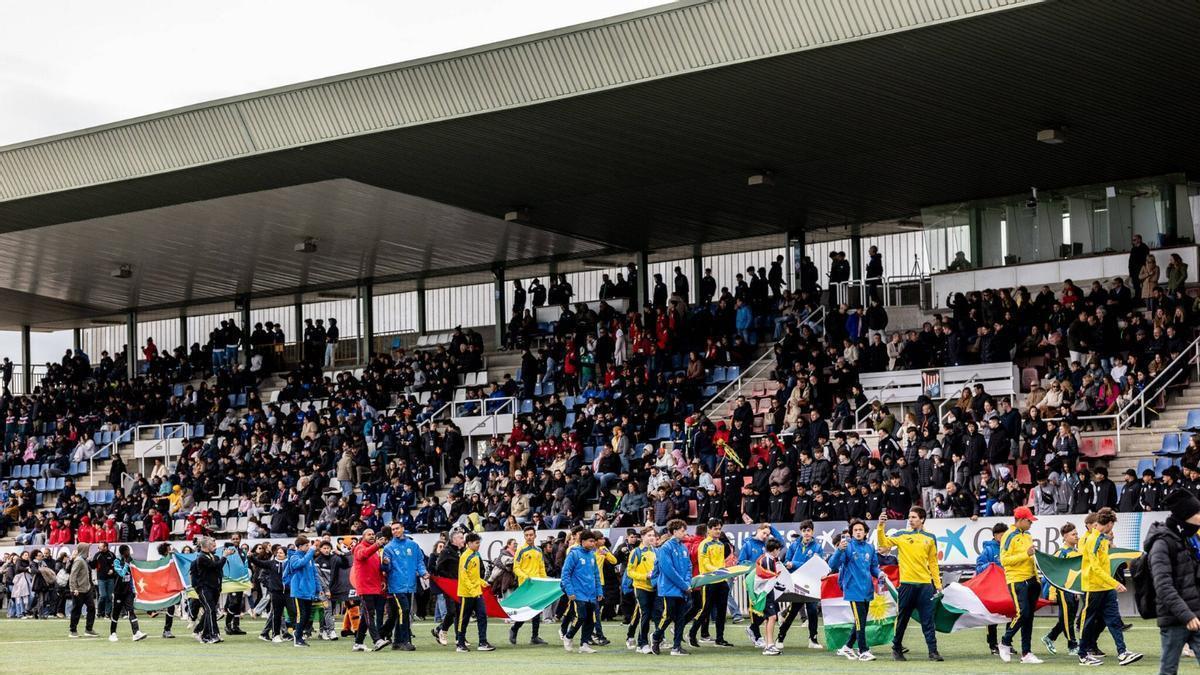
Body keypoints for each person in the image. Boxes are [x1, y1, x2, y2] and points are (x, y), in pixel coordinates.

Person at [1077, 508, 1142, 666]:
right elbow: (1095, 568)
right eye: (1113, 525)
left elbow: (1103, 565)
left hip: (1106, 587)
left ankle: (1122, 652)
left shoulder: (1102, 539)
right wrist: (1115, 583)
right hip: (1093, 587)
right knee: (1088, 621)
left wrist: (1110, 584)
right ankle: (1083, 655)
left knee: (1113, 620)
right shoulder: (1093, 540)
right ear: (1110, 523)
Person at [877, 508, 943, 661]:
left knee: (928, 620)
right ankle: (896, 649)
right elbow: (884, 543)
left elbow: (933, 563)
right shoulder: (902, 535)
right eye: (909, 517)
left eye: (914, 517)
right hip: (906, 585)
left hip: (926, 586)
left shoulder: (931, 538)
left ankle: (933, 651)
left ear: (922, 519)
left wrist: (938, 584)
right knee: (903, 619)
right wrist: (881, 526)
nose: (910, 520)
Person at [1147, 490, 1200, 675]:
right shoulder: (1161, 543)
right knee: (1168, 671)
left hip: (1196, 615)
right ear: (1185, 516)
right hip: (1175, 619)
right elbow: (1163, 586)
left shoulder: (1187, 538)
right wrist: (1187, 615)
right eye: (1197, 513)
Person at [830, 521, 885, 661]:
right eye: (855, 530)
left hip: (867, 589)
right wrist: (839, 550)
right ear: (852, 532)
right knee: (860, 621)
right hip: (853, 590)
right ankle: (863, 651)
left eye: (861, 529)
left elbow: (873, 567)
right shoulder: (847, 547)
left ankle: (847, 647)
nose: (858, 532)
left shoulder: (870, 548)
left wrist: (879, 574)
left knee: (860, 621)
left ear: (866, 532)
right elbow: (832, 565)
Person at [997, 506, 1043, 664]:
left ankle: (1026, 653)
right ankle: (1004, 642)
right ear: (1021, 520)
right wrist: (1026, 554)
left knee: (1028, 617)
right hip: (1016, 579)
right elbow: (1004, 561)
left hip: (1031, 579)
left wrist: (1036, 578)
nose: (1031, 523)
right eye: (1029, 521)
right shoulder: (1008, 536)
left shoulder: (1028, 535)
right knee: (1022, 613)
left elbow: (1030, 559)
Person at [382, 521, 428, 651]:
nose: (395, 531)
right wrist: (385, 563)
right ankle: (405, 640)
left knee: (401, 612)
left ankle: (396, 641)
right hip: (396, 585)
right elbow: (386, 568)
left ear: (403, 528)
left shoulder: (413, 545)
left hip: (410, 584)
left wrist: (423, 572)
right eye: (393, 529)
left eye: (397, 528)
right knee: (405, 610)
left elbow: (419, 561)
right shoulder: (388, 548)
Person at [779, 521, 824, 649]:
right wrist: (790, 564)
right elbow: (787, 560)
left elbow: (815, 564)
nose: (806, 533)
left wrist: (795, 564)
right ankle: (780, 637)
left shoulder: (817, 547)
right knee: (793, 611)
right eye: (804, 531)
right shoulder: (794, 545)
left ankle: (813, 640)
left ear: (813, 532)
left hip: (811, 583)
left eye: (809, 530)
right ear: (801, 532)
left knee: (812, 611)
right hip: (797, 582)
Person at [652, 519, 693, 656]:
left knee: (681, 618)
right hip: (669, 589)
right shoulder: (666, 548)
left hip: (681, 589)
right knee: (668, 616)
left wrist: (686, 583)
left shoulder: (683, 547)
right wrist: (683, 584)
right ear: (674, 532)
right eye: (682, 530)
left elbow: (688, 567)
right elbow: (668, 569)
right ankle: (656, 637)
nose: (685, 533)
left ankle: (676, 647)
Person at [690, 519, 733, 648]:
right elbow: (705, 563)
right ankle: (692, 634)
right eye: (715, 528)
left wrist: (724, 571)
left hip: (721, 580)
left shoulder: (720, 544)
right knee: (705, 610)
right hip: (708, 581)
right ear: (709, 529)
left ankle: (720, 638)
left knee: (721, 611)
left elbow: (721, 562)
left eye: (719, 528)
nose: (718, 531)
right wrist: (718, 570)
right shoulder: (704, 544)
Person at [1041, 522, 1080, 656]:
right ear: (1065, 537)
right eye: (1073, 534)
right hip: (1062, 590)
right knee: (1067, 619)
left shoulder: (1076, 552)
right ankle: (1072, 646)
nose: (1076, 536)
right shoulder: (1060, 553)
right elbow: (1053, 574)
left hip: (1072, 591)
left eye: (1076, 534)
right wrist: (1052, 593)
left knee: (1068, 618)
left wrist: (1077, 590)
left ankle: (1050, 637)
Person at [561, 529, 601, 654]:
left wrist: (599, 591)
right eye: (590, 541)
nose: (593, 544)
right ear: (582, 541)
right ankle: (568, 636)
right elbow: (565, 574)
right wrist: (570, 591)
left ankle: (584, 644)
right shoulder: (574, 554)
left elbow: (596, 575)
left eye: (594, 541)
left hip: (591, 594)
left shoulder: (592, 555)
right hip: (577, 593)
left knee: (590, 619)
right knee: (580, 617)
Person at [350, 529, 389, 652]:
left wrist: (382, 580)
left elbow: (377, 569)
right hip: (365, 587)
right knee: (369, 614)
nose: (372, 536)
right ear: (363, 536)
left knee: (366, 616)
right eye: (369, 534)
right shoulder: (359, 547)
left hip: (374, 587)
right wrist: (377, 545)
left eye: (373, 534)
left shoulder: (376, 551)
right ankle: (377, 640)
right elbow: (363, 555)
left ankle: (358, 642)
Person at [510, 526, 549, 645]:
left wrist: (545, 581)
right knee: (525, 612)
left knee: (536, 611)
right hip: (525, 586)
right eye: (526, 535)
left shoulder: (539, 550)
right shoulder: (521, 550)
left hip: (536, 586)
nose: (529, 537)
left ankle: (534, 637)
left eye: (531, 535)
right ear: (524, 536)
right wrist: (526, 577)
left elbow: (541, 567)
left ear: (535, 535)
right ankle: (514, 629)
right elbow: (516, 568)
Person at [456, 532, 495, 652]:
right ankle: (460, 643)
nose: (479, 545)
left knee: (482, 616)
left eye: (479, 542)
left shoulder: (475, 555)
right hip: (466, 594)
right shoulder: (465, 556)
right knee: (464, 619)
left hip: (476, 592)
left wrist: (483, 583)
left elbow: (474, 576)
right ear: (469, 544)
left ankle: (482, 642)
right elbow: (464, 576)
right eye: (477, 543)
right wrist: (473, 591)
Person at [626, 525, 659, 654]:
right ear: (642, 537)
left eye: (653, 535)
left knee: (656, 614)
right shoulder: (636, 552)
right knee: (645, 614)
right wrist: (645, 576)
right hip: (641, 587)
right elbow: (630, 572)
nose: (652, 538)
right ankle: (642, 643)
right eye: (649, 535)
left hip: (654, 588)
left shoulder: (656, 551)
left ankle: (656, 639)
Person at [975, 522, 1006, 655]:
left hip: (1006, 587)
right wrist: (991, 566)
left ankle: (1006, 643)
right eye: (1002, 535)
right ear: (995, 535)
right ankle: (993, 644)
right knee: (992, 617)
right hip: (992, 589)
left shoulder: (1008, 548)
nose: (1004, 537)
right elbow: (979, 567)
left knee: (1011, 614)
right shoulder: (988, 550)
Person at [193, 536, 230, 644]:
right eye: (213, 545)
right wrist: (224, 556)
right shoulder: (202, 558)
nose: (215, 547)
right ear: (206, 546)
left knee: (210, 611)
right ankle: (212, 635)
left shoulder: (211, 556)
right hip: (204, 588)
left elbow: (218, 572)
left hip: (214, 588)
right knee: (210, 610)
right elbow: (216, 567)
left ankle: (204, 634)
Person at [285, 535, 321, 647]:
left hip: (309, 591)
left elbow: (315, 574)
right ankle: (298, 638)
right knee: (301, 615)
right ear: (300, 547)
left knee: (307, 616)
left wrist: (318, 588)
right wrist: (311, 551)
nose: (309, 547)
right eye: (306, 546)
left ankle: (298, 634)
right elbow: (299, 564)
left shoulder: (309, 557)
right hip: (299, 591)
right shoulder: (294, 557)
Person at [249, 544, 288, 642]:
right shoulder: (271, 563)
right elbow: (259, 563)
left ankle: (294, 633)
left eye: (281, 553)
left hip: (288, 592)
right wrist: (251, 557)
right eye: (278, 552)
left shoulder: (289, 563)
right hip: (275, 592)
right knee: (277, 613)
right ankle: (276, 634)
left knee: (293, 612)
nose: (279, 554)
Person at [109, 544, 147, 642]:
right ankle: (113, 633)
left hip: (128, 592)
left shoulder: (130, 562)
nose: (129, 553)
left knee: (131, 611)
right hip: (118, 592)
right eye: (127, 551)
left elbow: (132, 576)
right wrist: (126, 564)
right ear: (123, 552)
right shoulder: (116, 561)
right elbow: (121, 574)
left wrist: (134, 590)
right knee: (116, 613)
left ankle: (136, 632)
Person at [432, 530, 464, 645]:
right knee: (451, 611)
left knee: (459, 612)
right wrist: (450, 578)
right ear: (454, 540)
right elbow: (438, 568)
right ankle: (442, 631)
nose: (463, 540)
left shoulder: (462, 551)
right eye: (460, 538)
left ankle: (459, 637)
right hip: (449, 586)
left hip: (460, 586)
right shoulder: (446, 552)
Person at [756, 538, 785, 656]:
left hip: (766, 591)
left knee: (768, 618)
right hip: (766, 592)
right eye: (778, 550)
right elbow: (769, 577)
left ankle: (768, 644)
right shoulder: (768, 560)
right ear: (774, 550)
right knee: (772, 617)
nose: (779, 552)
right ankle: (770, 646)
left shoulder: (768, 558)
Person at [67, 542, 97, 638]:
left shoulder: (84, 560)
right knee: (76, 610)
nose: (89, 551)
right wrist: (74, 588)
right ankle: (73, 630)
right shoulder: (79, 560)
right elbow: (73, 575)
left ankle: (89, 629)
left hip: (86, 589)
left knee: (91, 608)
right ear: (84, 550)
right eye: (87, 549)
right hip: (78, 590)